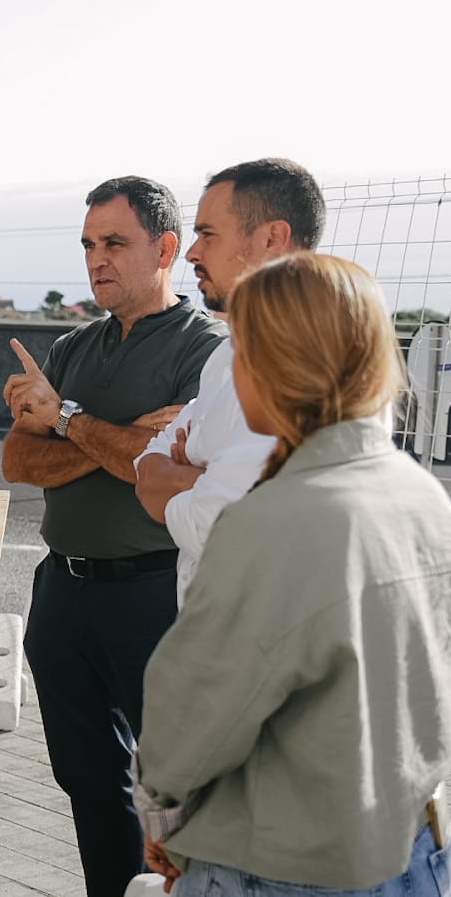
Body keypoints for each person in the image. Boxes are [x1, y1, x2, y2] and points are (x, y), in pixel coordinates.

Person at [135, 253, 451, 897]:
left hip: (282, 865)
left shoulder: (269, 519)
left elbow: (196, 704)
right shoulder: (417, 493)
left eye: (244, 351)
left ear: (275, 364)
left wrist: (163, 817)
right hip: (416, 844)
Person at [0, 176, 227, 894]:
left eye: (114, 243)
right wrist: (119, 443)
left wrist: (62, 418)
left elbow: (150, 467)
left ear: (164, 248)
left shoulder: (205, 352)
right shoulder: (71, 346)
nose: (97, 259)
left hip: (152, 596)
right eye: (89, 245)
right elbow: (16, 460)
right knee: (88, 784)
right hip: (62, 595)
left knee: (175, 789)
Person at [134, 158, 326, 604]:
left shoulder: (308, 365)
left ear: (272, 239)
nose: (192, 253)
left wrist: (188, 472)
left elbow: (227, 524)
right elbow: (146, 473)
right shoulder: (228, 355)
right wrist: (205, 475)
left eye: (208, 234)